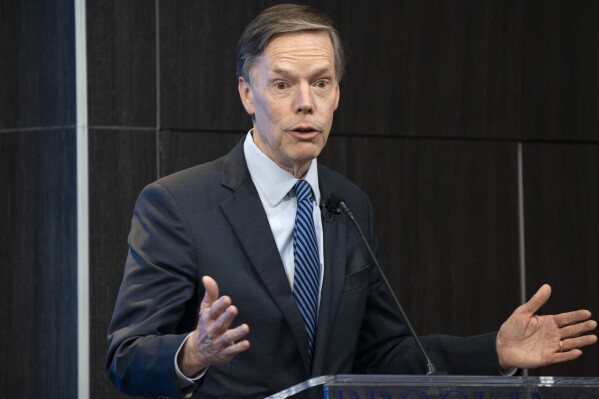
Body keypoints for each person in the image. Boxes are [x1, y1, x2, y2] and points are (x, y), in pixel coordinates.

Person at [107, 4, 597, 399]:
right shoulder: (177, 203)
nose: (306, 103)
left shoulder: (348, 205)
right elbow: (126, 358)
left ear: (337, 94)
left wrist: (494, 351)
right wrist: (194, 351)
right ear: (246, 93)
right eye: (282, 84)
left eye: (320, 82)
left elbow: (382, 355)